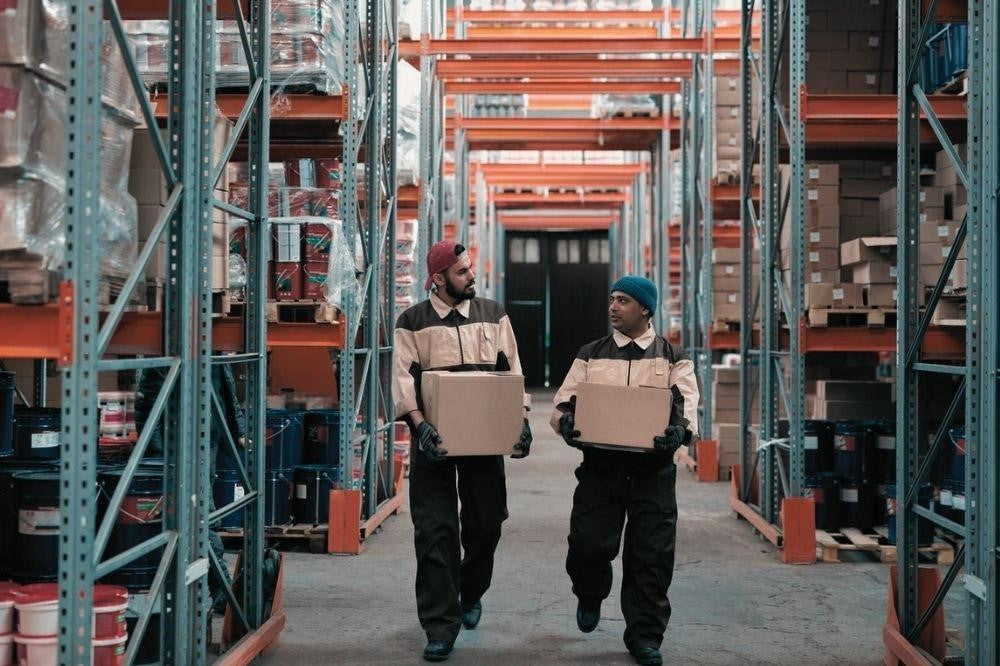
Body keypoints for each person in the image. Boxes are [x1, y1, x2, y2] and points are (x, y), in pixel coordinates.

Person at [393, 241, 533, 662]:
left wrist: (519, 421)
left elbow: (513, 370)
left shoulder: (493, 314)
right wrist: (421, 429)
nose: (471, 277)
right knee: (435, 533)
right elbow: (402, 379)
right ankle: (440, 625)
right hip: (432, 440)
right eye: (461, 272)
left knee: (487, 523)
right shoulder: (412, 321)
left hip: (484, 438)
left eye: (470, 269)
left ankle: (470, 592)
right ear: (438, 280)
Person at [550, 275, 699, 666]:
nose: (613, 306)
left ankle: (645, 635)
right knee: (587, 546)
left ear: (645, 309)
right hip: (601, 470)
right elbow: (564, 403)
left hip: (652, 474)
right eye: (612, 299)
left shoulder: (672, 357)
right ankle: (589, 592)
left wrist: (678, 433)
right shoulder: (590, 353)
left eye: (624, 300)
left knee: (650, 557)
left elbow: (687, 407)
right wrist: (564, 422)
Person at [135, 364, 245, 614]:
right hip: (182, 444)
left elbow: (224, 386)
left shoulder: (215, 343)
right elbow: (147, 400)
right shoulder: (172, 342)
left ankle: (218, 591)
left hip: (208, 441)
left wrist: (236, 429)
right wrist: (155, 454)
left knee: (202, 517)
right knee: (199, 519)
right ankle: (222, 590)